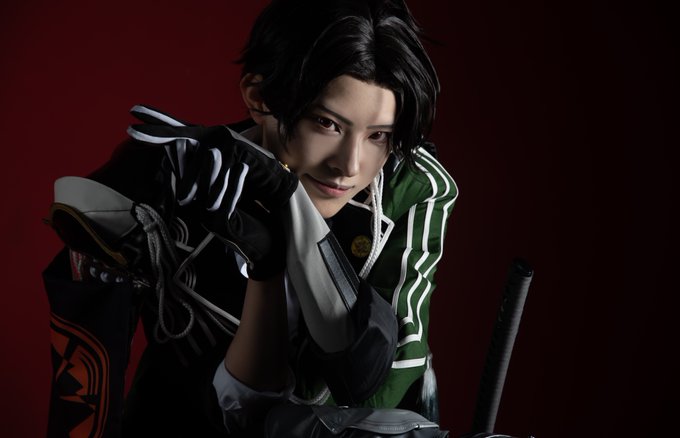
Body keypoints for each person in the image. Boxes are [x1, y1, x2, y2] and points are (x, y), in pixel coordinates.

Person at [43, 0, 458, 436]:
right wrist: (139, 179)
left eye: (379, 135)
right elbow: (84, 388)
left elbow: (371, 384)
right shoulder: (183, 179)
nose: (349, 166)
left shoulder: (415, 188)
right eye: (326, 123)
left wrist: (289, 201)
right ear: (258, 97)